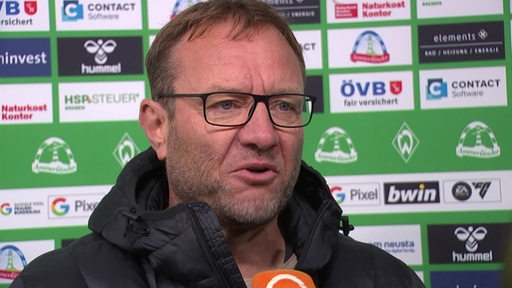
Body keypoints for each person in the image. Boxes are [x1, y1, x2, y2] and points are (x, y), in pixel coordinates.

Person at [10, 0, 424, 287]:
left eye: (283, 105)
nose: (262, 135)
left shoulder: (384, 279)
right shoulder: (57, 282)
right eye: (225, 105)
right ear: (158, 126)